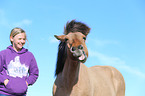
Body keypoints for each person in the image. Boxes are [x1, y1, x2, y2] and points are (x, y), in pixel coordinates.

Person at [0, 27, 39, 96]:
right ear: (12, 38)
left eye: (24, 39)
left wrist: (26, 83)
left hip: (22, 94)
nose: (22, 41)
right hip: (4, 93)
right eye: (19, 39)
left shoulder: (29, 55)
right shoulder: (3, 54)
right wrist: (5, 81)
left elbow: (34, 73)